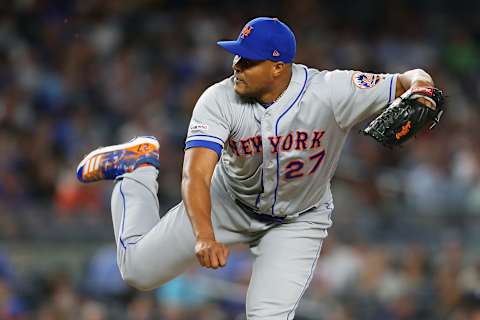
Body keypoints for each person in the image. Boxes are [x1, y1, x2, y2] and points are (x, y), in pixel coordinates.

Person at [76, 17, 437, 319]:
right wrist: (204, 234)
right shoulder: (218, 100)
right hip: (226, 202)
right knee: (138, 272)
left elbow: (409, 77)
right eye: (237, 57)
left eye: (248, 61)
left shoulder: (331, 91)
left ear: (279, 67)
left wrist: (422, 87)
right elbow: (196, 175)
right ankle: (138, 169)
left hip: (298, 220)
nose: (237, 66)